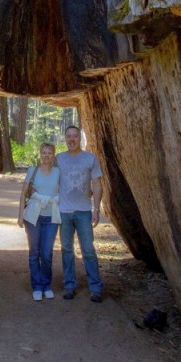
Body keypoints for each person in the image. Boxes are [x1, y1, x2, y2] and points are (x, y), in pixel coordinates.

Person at [57, 125, 104, 302]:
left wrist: (96, 209)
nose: (71, 139)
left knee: (88, 250)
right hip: (64, 211)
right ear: (65, 138)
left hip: (84, 211)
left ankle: (95, 287)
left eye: (75, 136)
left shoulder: (90, 158)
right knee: (66, 249)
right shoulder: (59, 159)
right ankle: (69, 285)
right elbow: (51, 179)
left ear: (79, 138)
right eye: (68, 136)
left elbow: (97, 184)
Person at [17, 142, 60, 301]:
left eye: (49, 153)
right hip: (33, 217)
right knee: (34, 252)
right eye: (44, 152)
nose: (46, 155)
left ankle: (46, 285)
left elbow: (65, 190)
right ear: (40, 154)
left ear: (53, 155)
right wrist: (20, 215)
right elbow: (23, 193)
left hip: (51, 217)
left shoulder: (58, 172)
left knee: (47, 253)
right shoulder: (32, 171)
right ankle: (36, 286)